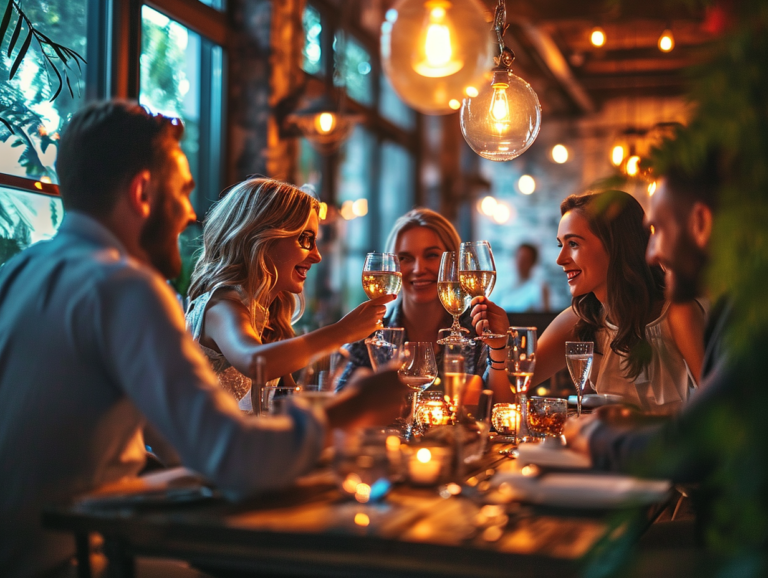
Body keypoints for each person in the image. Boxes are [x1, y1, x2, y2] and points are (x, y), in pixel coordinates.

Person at [0, 101, 407, 578]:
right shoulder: (125, 287)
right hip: (73, 560)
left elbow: (161, 443)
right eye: (184, 191)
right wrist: (352, 409)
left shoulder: (17, 272)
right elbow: (233, 458)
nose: (192, 213)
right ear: (142, 192)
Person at [565, 154, 768, 565]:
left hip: (742, 544)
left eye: (657, 231)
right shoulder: (739, 305)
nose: (652, 253)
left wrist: (594, 438)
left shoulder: (753, 320)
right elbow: (716, 424)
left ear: (700, 223)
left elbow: (695, 446)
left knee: (580, 559)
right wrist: (637, 423)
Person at [474, 190, 706, 414]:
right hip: (601, 451)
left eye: (573, 244)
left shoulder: (676, 313)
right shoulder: (580, 320)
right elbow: (504, 403)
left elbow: (721, 407)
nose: (560, 259)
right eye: (560, 244)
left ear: (615, 246)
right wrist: (498, 347)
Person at [185, 177, 394, 409]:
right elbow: (257, 362)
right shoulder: (222, 306)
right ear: (262, 237)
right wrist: (344, 331)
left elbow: (290, 401)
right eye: (306, 239)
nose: (317, 256)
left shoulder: (269, 314)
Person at [336, 208, 486, 393]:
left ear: (454, 263)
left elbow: (496, 409)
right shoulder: (371, 337)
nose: (418, 269)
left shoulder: (478, 334)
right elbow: (338, 403)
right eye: (405, 258)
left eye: (431, 255)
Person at [498, 243, 551, 312]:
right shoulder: (504, 286)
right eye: (519, 258)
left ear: (533, 263)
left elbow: (545, 318)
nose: (520, 263)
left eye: (525, 260)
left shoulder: (539, 287)